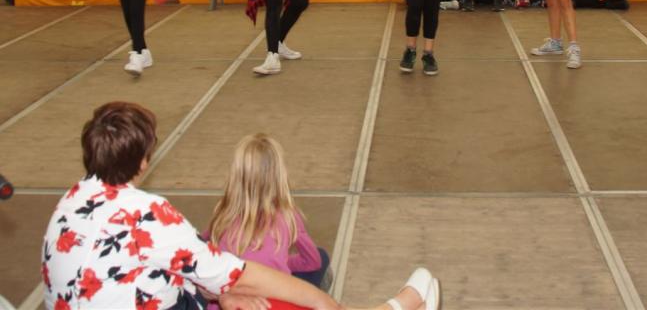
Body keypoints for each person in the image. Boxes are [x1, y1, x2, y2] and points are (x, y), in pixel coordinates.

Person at [41, 102, 439, 310]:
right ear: (143, 161)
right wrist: (320, 300)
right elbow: (238, 272)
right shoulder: (149, 214)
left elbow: (169, 267)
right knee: (289, 300)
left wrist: (216, 295)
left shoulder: (71, 201)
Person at [207, 134, 331, 297]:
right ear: (280, 177)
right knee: (321, 256)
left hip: (227, 300)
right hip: (274, 300)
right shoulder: (289, 216)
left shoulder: (223, 215)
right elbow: (313, 261)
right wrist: (283, 262)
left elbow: (201, 244)